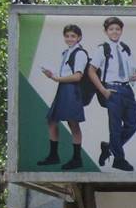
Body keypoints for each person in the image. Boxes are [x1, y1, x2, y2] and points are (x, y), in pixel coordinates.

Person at [37, 24, 103, 169]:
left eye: (73, 36)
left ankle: (76, 158)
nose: (69, 38)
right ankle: (54, 156)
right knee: (52, 120)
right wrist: (53, 76)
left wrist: (57, 79)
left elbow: (78, 76)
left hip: (72, 90)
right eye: (67, 36)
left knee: (73, 123)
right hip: (64, 88)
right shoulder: (66, 52)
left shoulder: (79, 53)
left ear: (79, 37)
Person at [91, 15, 136, 172]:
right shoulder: (102, 49)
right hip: (112, 90)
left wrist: (134, 76)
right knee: (115, 127)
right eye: (111, 29)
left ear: (121, 31)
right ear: (106, 31)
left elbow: (131, 70)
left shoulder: (125, 48)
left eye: (117, 29)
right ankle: (119, 159)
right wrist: (103, 90)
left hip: (126, 89)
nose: (114, 32)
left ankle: (110, 147)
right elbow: (91, 71)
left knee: (134, 122)